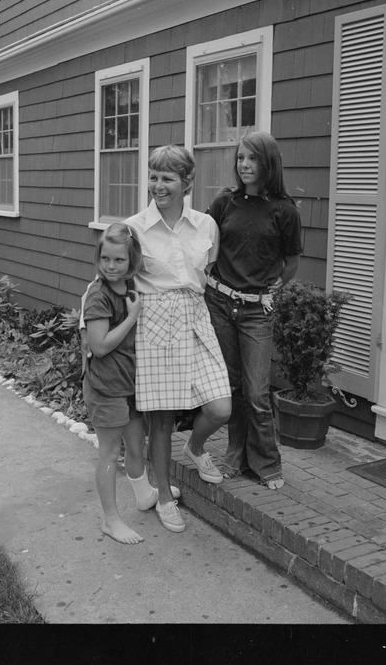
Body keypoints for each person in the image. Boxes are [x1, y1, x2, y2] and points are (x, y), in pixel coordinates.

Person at [126, 145, 232, 533]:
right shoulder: (133, 228)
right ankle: (165, 498)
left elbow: (208, 273)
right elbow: (113, 281)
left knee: (220, 406)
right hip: (153, 321)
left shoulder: (206, 225)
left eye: (167, 178)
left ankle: (196, 448)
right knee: (162, 419)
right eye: (153, 176)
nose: (158, 185)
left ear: (187, 183)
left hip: (194, 316)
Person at [205, 131, 303, 491]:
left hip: (255, 312)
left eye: (252, 159)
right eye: (240, 158)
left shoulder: (284, 210)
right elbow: (203, 242)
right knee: (231, 387)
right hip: (219, 304)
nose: (244, 165)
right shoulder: (223, 203)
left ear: (268, 163)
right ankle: (235, 456)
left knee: (258, 393)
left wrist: (278, 283)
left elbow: (290, 263)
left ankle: (266, 463)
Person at [83, 223, 174, 544]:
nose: (110, 266)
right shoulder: (99, 295)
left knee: (137, 445)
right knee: (109, 453)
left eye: (118, 260)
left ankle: (145, 494)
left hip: (130, 385)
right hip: (106, 387)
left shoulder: (131, 286)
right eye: (105, 258)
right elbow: (100, 345)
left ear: (131, 261)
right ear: (98, 257)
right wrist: (132, 317)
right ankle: (110, 520)